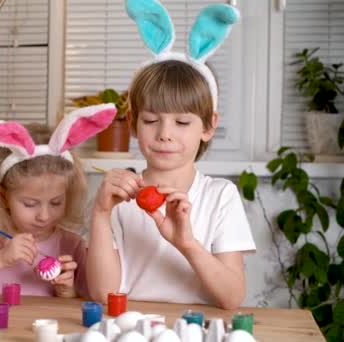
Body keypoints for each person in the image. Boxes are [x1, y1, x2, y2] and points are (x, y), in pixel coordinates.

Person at [86, 0, 256, 309]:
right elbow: (102, 295)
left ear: (208, 126)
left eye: (181, 122)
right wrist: (99, 214)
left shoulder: (221, 196)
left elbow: (232, 298)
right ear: (134, 123)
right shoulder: (118, 197)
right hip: (131, 326)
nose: (165, 133)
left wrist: (186, 243)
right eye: (151, 120)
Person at [0, 104, 117, 298]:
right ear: (3, 196)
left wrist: (67, 291)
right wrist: (1, 258)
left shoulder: (72, 245)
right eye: (30, 204)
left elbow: (95, 299)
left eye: (56, 202)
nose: (44, 216)